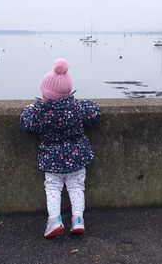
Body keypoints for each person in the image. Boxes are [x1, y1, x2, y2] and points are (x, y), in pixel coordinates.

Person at [20, 58, 100, 238]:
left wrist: (28, 109)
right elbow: (95, 113)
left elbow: (26, 124)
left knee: (53, 188)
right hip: (77, 157)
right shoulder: (77, 108)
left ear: (46, 95)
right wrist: (85, 103)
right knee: (77, 187)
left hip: (52, 160)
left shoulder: (41, 113)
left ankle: (55, 220)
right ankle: (78, 219)